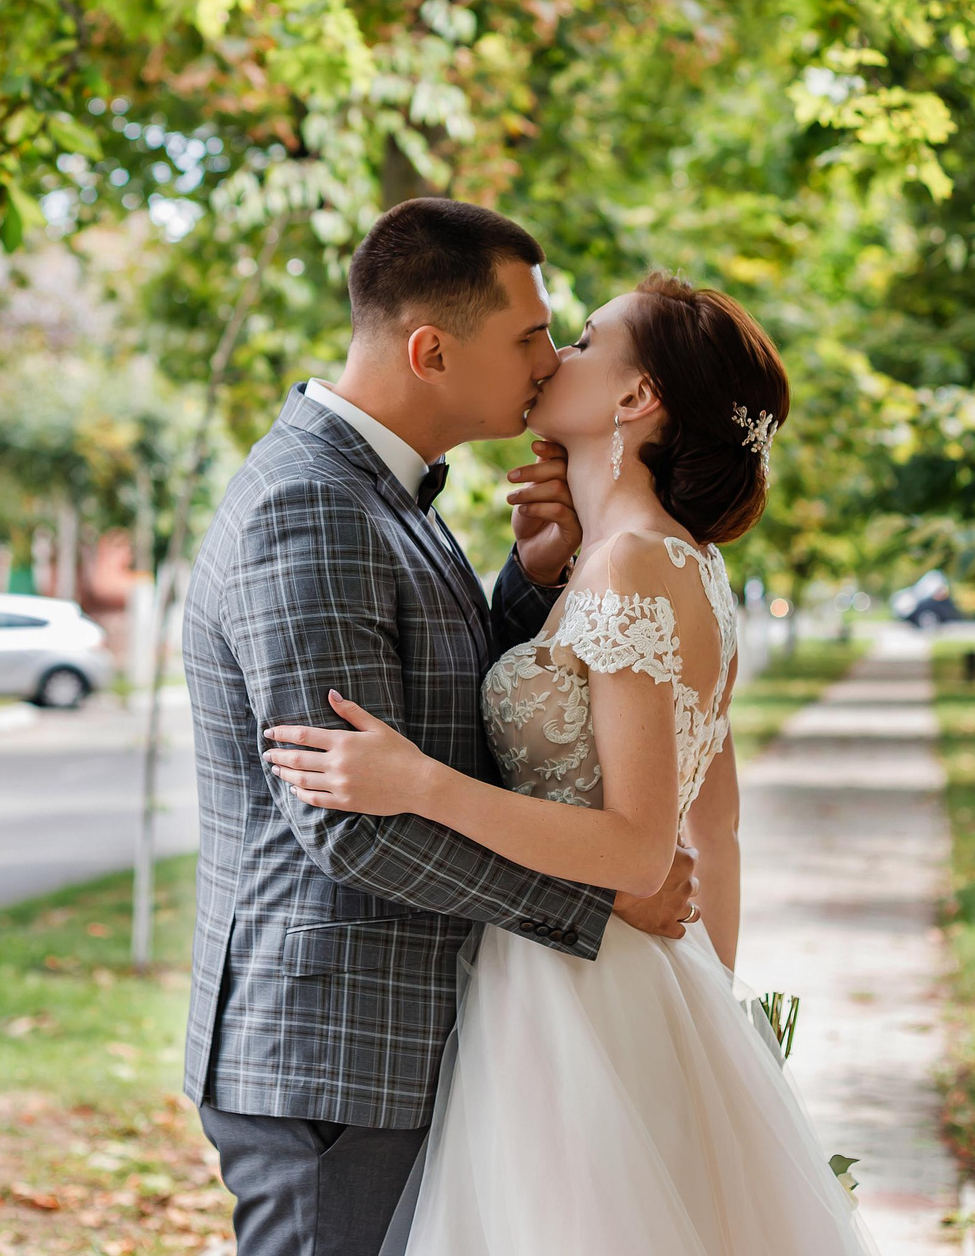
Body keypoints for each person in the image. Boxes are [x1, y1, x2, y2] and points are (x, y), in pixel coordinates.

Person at [265, 273, 878, 1256]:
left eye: (586, 340)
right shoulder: (674, 561)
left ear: (636, 397)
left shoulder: (631, 564)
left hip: (573, 989)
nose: (555, 356)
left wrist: (420, 782)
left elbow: (641, 850)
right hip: (627, 981)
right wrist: (707, 1020)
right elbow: (713, 829)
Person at [181, 199, 700, 1256]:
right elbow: (350, 822)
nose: (548, 361)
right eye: (528, 335)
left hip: (393, 1042)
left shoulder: (384, 491)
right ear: (430, 351)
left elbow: (435, 720)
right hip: (333, 1053)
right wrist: (603, 896)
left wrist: (529, 582)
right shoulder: (310, 505)